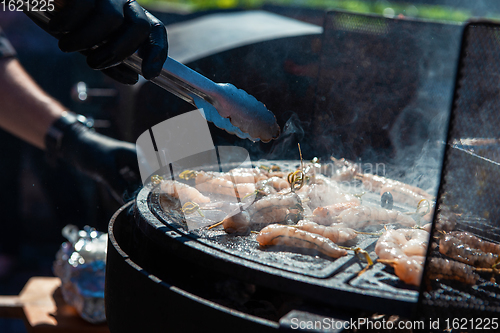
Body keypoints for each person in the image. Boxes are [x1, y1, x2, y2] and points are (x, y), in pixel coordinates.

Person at [0, 0, 168, 276]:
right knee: (6, 162)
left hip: (48, 50)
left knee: (51, 166)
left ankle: (75, 241)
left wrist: (75, 140)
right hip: (35, 46)